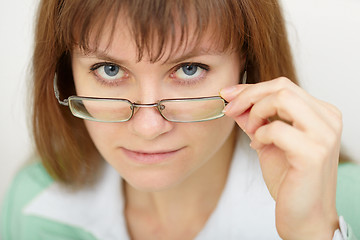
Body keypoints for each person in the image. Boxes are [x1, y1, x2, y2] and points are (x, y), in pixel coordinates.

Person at [1, 0, 360, 239]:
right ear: (67, 76)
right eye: (109, 70)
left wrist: (313, 232)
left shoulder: (345, 203)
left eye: (190, 69)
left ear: (247, 68)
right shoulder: (34, 202)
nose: (148, 127)